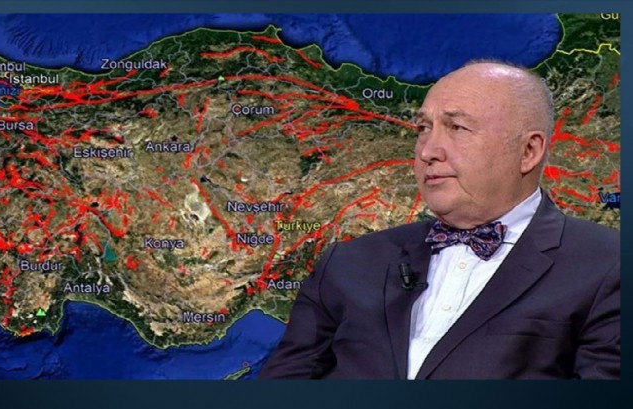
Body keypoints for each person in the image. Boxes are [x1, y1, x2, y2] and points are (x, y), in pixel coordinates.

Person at [258, 60, 620, 379]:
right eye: (423, 129)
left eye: (457, 128)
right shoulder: (348, 263)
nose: (428, 151)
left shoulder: (607, 265)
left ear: (528, 151)